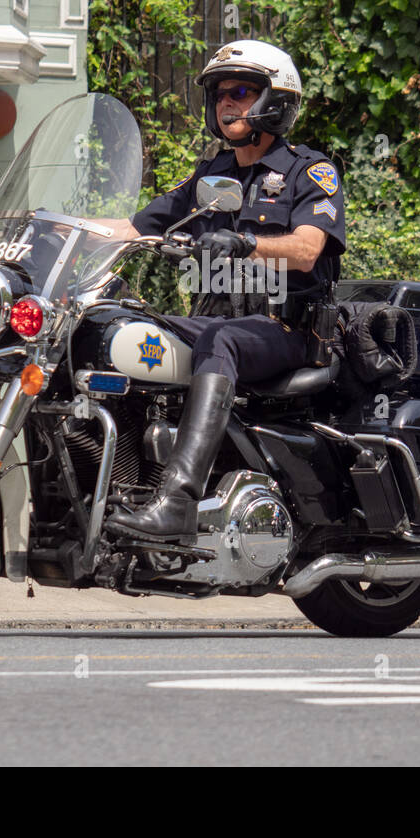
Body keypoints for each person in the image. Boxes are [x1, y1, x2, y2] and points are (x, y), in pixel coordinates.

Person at [101, 39, 346, 545]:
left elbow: (305, 249)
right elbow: (131, 227)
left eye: (240, 91)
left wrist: (244, 241)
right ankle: (117, 484)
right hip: (217, 325)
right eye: (219, 95)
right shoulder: (210, 175)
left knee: (223, 341)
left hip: (283, 331)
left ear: (274, 101)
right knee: (120, 328)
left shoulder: (310, 171)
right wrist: (50, 227)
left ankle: (179, 503)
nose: (226, 103)